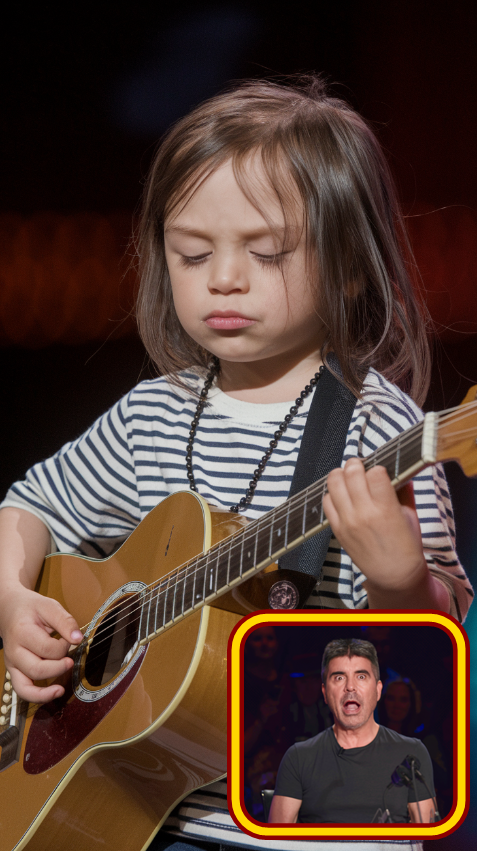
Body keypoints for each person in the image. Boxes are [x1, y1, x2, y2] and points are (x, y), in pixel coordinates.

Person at [0, 75, 471, 851]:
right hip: (141, 816)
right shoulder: (152, 415)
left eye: (264, 251)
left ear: (350, 265)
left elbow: (423, 680)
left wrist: (397, 579)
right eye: (191, 253)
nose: (222, 276)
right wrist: (16, 602)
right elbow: (29, 504)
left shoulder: (379, 430)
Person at [269, 639, 436, 825]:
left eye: (361, 676)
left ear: (378, 690)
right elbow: (277, 840)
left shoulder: (411, 754)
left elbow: (425, 836)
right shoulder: (298, 757)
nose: (350, 687)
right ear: (324, 692)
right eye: (339, 678)